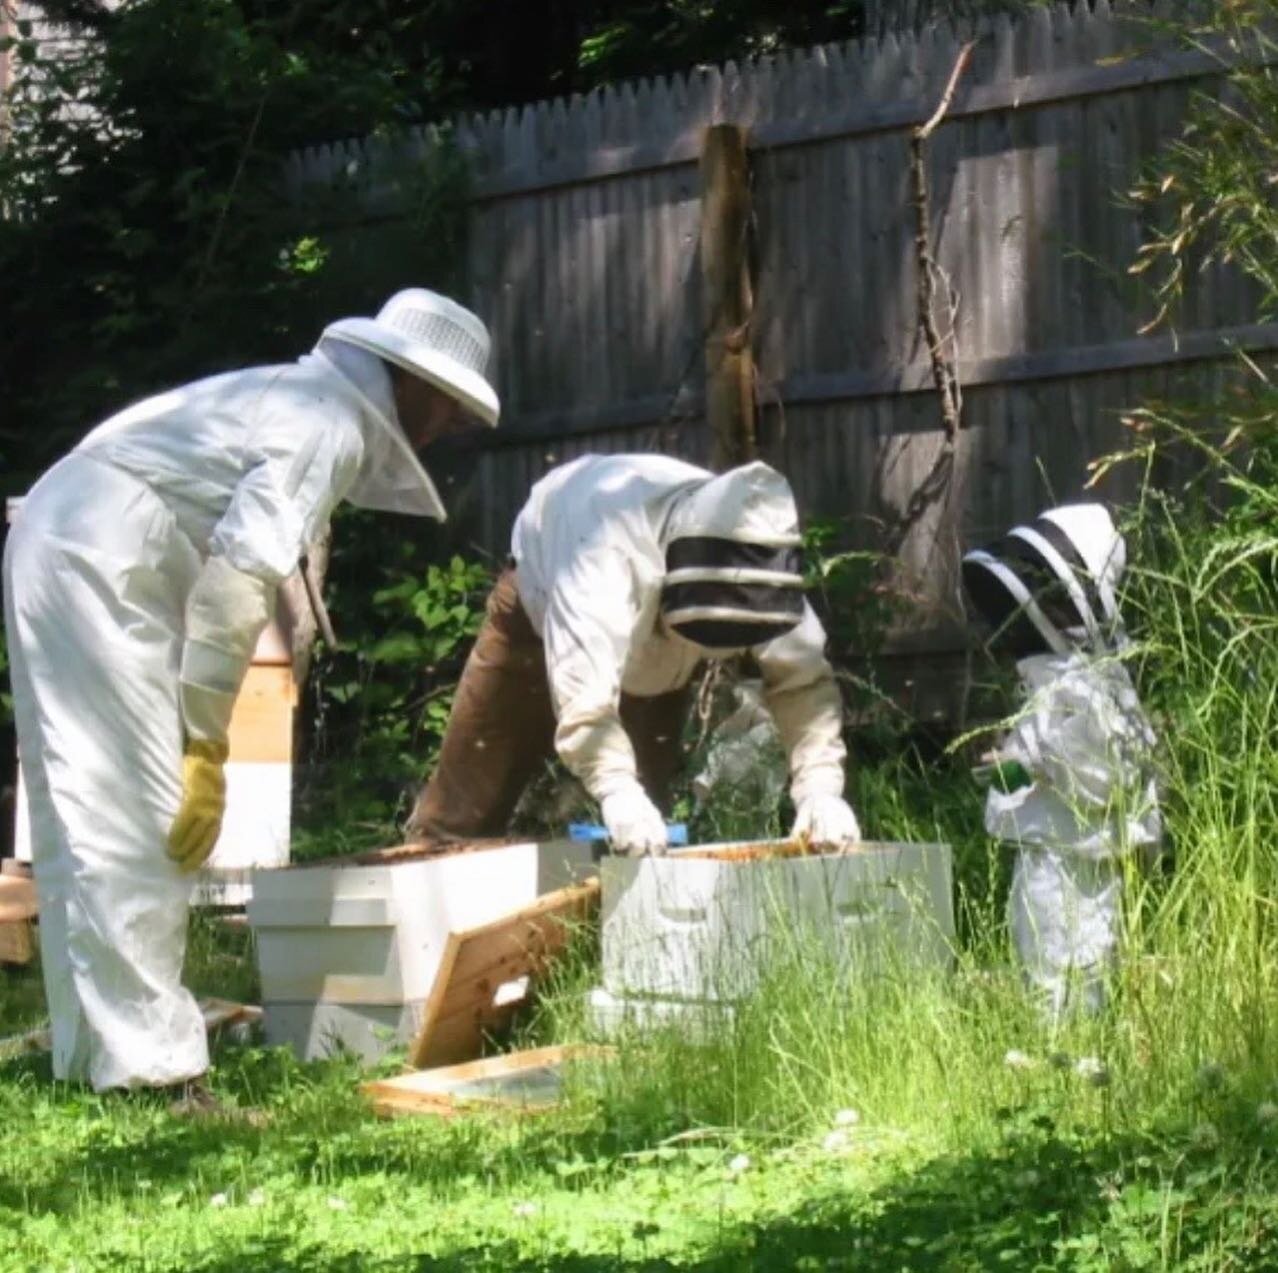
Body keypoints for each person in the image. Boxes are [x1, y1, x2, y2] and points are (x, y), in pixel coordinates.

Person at [3, 287, 499, 1099]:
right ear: (408, 380)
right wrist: (204, 740)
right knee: (140, 817)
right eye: (447, 406)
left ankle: (94, 1053)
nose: (446, 427)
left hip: (70, 535)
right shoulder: (327, 423)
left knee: (82, 814)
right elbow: (237, 587)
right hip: (96, 548)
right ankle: (154, 1073)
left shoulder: (302, 402)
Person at [407, 453, 862, 856]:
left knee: (645, 834)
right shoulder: (601, 558)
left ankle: (604, 941)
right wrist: (615, 788)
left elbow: (802, 681)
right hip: (537, 611)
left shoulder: (756, 550)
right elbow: (585, 699)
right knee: (464, 807)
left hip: (653, 659)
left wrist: (820, 789)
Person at [962, 503, 1162, 1019]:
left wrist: (1039, 761)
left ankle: (1074, 1069)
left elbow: (1104, 783)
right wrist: (1004, 765)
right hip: (1043, 855)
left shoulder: (1094, 686)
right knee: (1040, 969)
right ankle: (1057, 1066)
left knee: (1074, 976)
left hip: (1080, 862)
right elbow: (1032, 781)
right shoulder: (1050, 680)